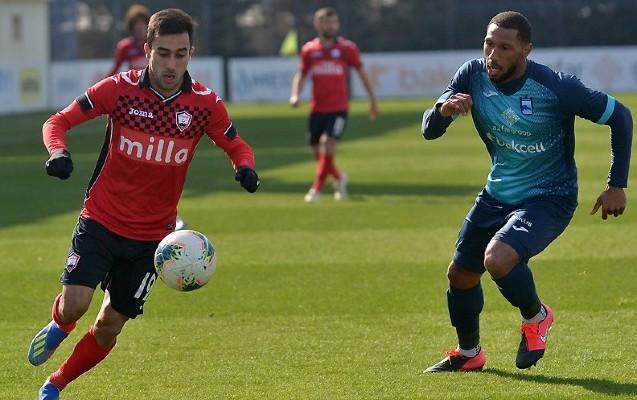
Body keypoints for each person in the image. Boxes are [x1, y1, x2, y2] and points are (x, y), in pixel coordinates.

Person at [29, 9, 260, 398]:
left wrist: (245, 167)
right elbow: (57, 122)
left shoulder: (203, 104)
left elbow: (236, 144)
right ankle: (60, 325)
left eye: (181, 55)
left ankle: (56, 384)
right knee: (75, 305)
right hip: (101, 218)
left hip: (153, 239)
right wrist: (58, 152)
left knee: (109, 326)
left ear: (191, 53)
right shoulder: (119, 90)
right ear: (147, 49)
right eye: (163, 53)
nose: (172, 64)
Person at [421, 11, 632, 372]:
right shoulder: (471, 75)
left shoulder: (555, 87)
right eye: (489, 44)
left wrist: (616, 184)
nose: (493, 55)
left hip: (550, 197)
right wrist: (444, 110)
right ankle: (469, 354)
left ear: (525, 51)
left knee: (498, 259)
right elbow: (430, 129)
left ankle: (537, 317)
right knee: (461, 276)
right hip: (497, 193)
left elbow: (621, 116)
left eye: (505, 48)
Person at [106, 4, 188, 230]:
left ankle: (167, 214)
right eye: (136, 26)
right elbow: (115, 69)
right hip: (137, 106)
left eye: (143, 25)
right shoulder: (126, 47)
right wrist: (107, 91)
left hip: (161, 104)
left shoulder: (161, 47)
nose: (139, 29)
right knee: (138, 160)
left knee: (162, 158)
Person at [290, 7, 378, 203]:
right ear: (318, 24)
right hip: (317, 108)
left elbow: (362, 74)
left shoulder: (347, 48)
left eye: (334, 22)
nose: (331, 26)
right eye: (327, 22)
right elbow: (301, 75)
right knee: (317, 150)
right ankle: (338, 177)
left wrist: (372, 100)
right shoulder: (309, 50)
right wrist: (295, 94)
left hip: (339, 108)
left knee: (327, 144)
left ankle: (316, 189)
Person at [107, 4, 150, 76]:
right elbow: (115, 69)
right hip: (135, 81)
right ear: (131, 26)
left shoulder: (153, 44)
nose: (139, 26)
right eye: (136, 23)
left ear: (147, 25)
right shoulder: (125, 46)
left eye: (142, 22)